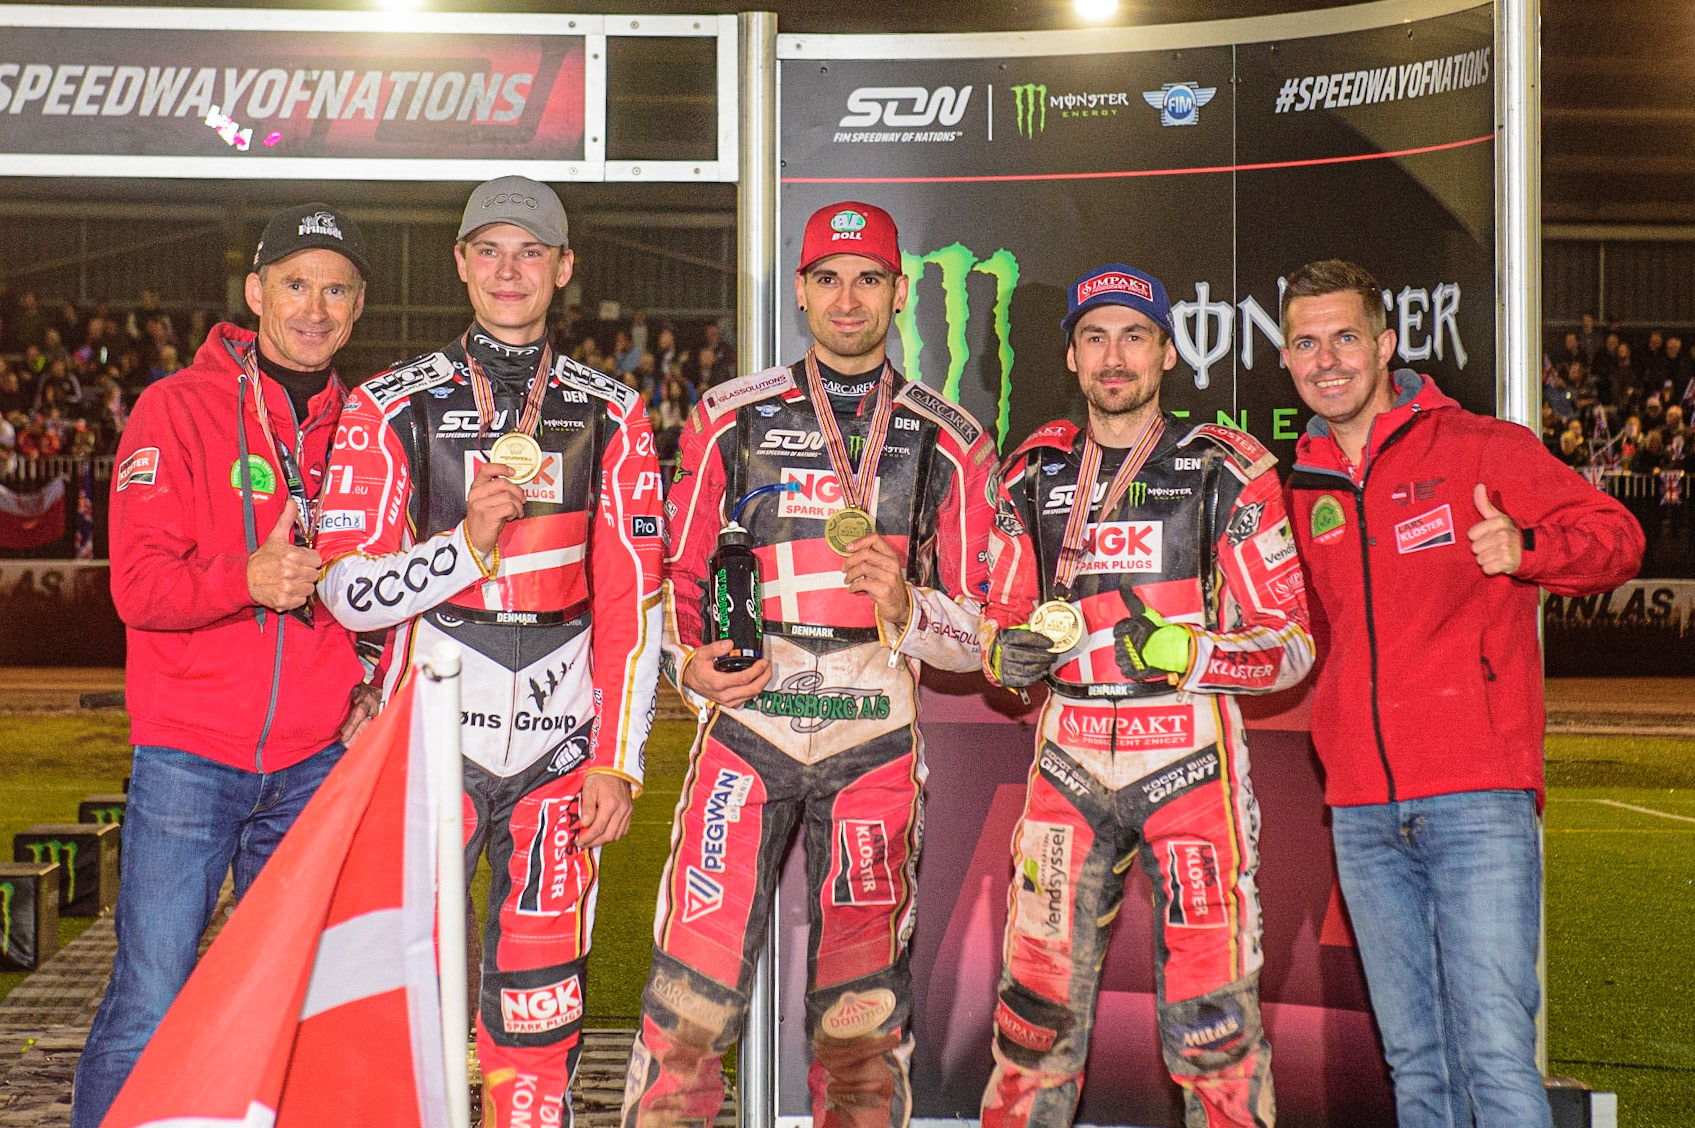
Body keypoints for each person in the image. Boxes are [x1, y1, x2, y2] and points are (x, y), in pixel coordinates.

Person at [619, 200, 997, 1126]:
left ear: (899, 293)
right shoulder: (727, 416)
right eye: (828, 278)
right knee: (689, 999)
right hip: (749, 722)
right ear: (800, 291)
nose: (847, 298)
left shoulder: (952, 437)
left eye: (868, 278)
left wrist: (909, 607)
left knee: (859, 1014)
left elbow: (987, 629)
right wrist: (690, 668)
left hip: (874, 729)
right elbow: (677, 574)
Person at [314, 175, 662, 1128]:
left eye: (532, 252)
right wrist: (461, 551)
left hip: (560, 752)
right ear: (461, 263)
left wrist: (619, 764)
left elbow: (635, 607)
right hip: (426, 747)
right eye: (491, 250)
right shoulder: (389, 404)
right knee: (403, 993)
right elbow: (345, 592)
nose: (510, 271)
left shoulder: (615, 411)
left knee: (540, 1002)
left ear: (564, 270)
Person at [1280, 259, 1643, 1128]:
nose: (1326, 360)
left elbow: (1616, 535)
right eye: (1304, 343)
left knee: (1492, 1057)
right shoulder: (1300, 486)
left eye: (1344, 338)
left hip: (1477, 798)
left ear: (1386, 344)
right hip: (1364, 811)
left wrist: (1525, 548)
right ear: (1286, 359)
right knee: (1416, 1067)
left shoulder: (1479, 448)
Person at [976, 264, 1311, 1128]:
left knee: (1211, 1023)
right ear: (1072, 356)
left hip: (1187, 757)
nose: (1113, 356)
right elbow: (1002, 616)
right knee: (1031, 1014)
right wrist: (1002, 655)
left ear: (1167, 352)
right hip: (1068, 756)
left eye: (1133, 336)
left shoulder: (1225, 468)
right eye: (1094, 337)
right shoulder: (1033, 471)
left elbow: (1291, 642)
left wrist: (1191, 652)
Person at [72, 203, 380, 1128]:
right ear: (255, 293)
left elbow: (387, 588)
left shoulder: (367, 428)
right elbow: (136, 586)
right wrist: (244, 577)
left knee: (291, 1009)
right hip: (188, 758)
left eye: (335, 289)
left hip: (314, 762)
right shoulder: (177, 407)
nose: (314, 307)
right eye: (295, 283)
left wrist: (370, 680)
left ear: (359, 306)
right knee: (152, 999)